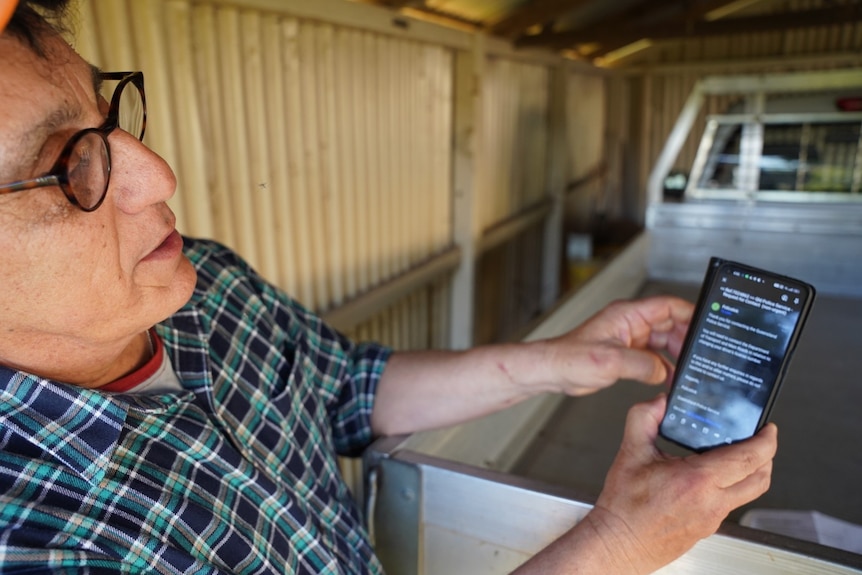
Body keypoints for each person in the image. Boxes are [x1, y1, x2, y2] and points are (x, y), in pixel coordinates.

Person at [0, 1, 777, 573]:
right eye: (73, 168)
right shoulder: (42, 541)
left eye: (111, 121)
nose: (158, 175)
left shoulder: (199, 283)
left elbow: (348, 388)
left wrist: (562, 360)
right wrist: (620, 543)